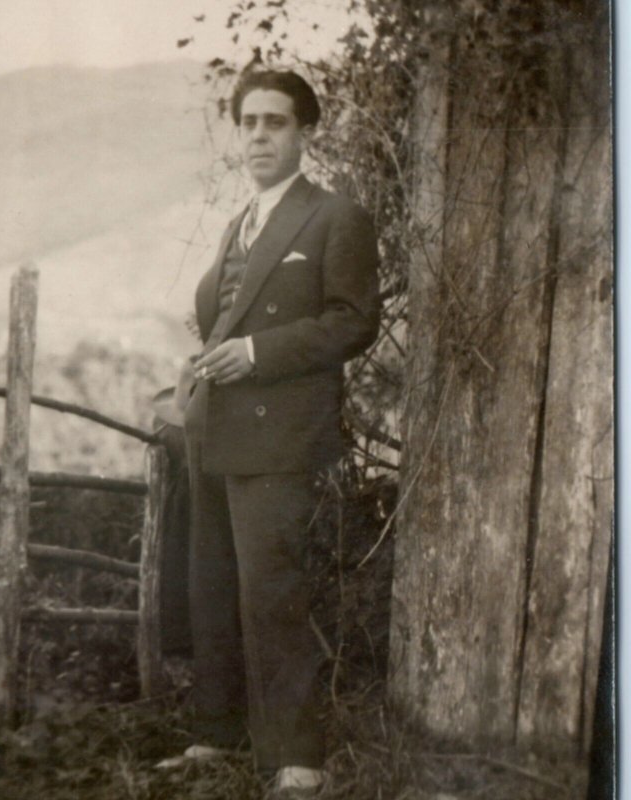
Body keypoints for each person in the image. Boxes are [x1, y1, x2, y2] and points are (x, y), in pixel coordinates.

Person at [161, 69, 381, 796]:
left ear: (304, 132)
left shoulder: (333, 216)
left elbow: (354, 321)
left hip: (279, 434)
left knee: (272, 592)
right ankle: (216, 736)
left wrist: (256, 354)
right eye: (249, 122)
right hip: (214, 429)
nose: (259, 135)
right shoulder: (239, 223)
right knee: (214, 587)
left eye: (275, 122)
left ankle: (297, 756)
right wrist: (199, 370)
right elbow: (228, 315)